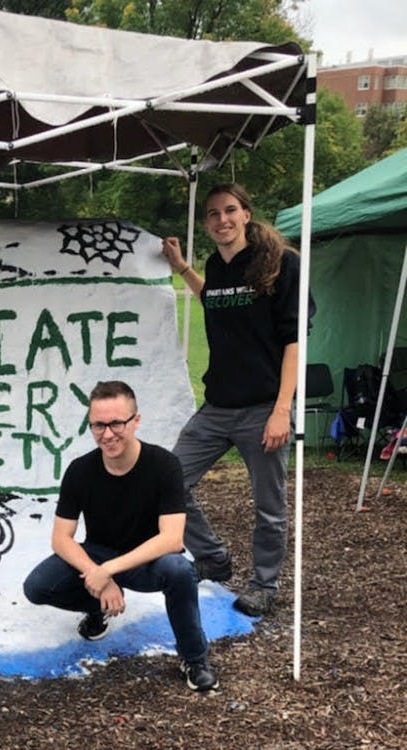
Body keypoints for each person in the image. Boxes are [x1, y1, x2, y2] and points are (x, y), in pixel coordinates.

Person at [161, 182, 309, 617]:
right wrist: (184, 267)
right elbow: (216, 300)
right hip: (218, 406)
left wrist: (282, 410)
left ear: (246, 213)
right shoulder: (217, 265)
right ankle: (214, 557)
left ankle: (264, 585)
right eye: (213, 214)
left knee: (269, 506)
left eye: (230, 210)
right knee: (168, 481)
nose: (222, 220)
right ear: (206, 224)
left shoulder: (283, 264)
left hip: (265, 408)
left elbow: (294, 341)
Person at [23, 381, 219, 692]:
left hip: (148, 560)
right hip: (100, 553)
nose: (107, 433)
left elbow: (172, 540)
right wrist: (98, 574)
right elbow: (61, 538)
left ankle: (194, 658)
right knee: (36, 586)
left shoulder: (164, 465)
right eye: (98, 425)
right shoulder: (80, 470)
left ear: (135, 421)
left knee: (180, 571)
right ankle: (97, 608)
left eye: (116, 423)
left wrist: (108, 572)